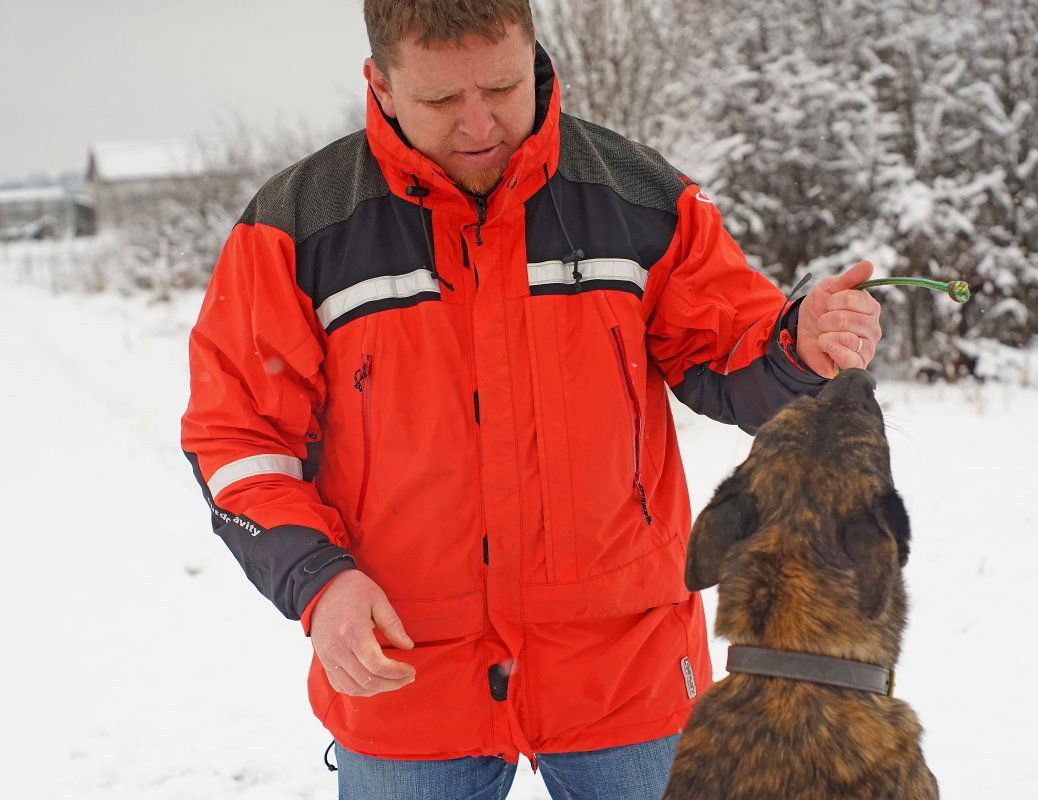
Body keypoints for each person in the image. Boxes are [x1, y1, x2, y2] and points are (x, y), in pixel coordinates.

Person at [180, 1, 884, 798]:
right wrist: (318, 580)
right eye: (442, 102)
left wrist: (797, 345)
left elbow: (727, 353)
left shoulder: (638, 199)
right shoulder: (298, 229)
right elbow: (239, 440)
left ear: (535, 54)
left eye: (505, 87)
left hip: (626, 668)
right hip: (405, 672)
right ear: (379, 82)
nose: (480, 125)